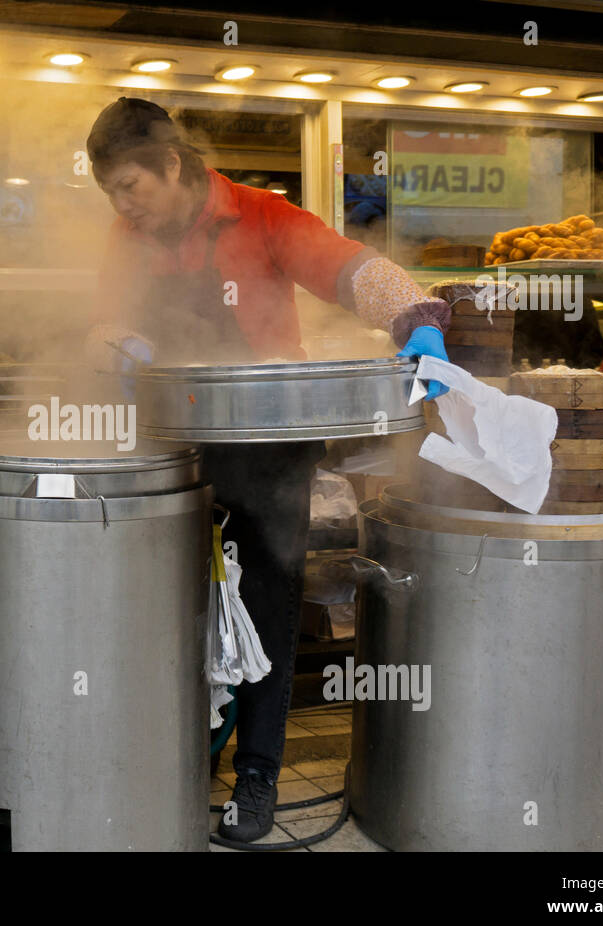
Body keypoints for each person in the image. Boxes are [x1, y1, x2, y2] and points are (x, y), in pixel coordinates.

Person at [83, 97, 453, 844]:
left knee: (265, 605)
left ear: (172, 164)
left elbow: (351, 270)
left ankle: (256, 774)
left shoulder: (260, 215)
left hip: (267, 448)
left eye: (132, 186)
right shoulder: (127, 239)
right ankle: (177, 757)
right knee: (167, 609)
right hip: (170, 450)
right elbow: (100, 319)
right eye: (111, 194)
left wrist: (417, 318)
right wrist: (117, 345)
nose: (123, 207)